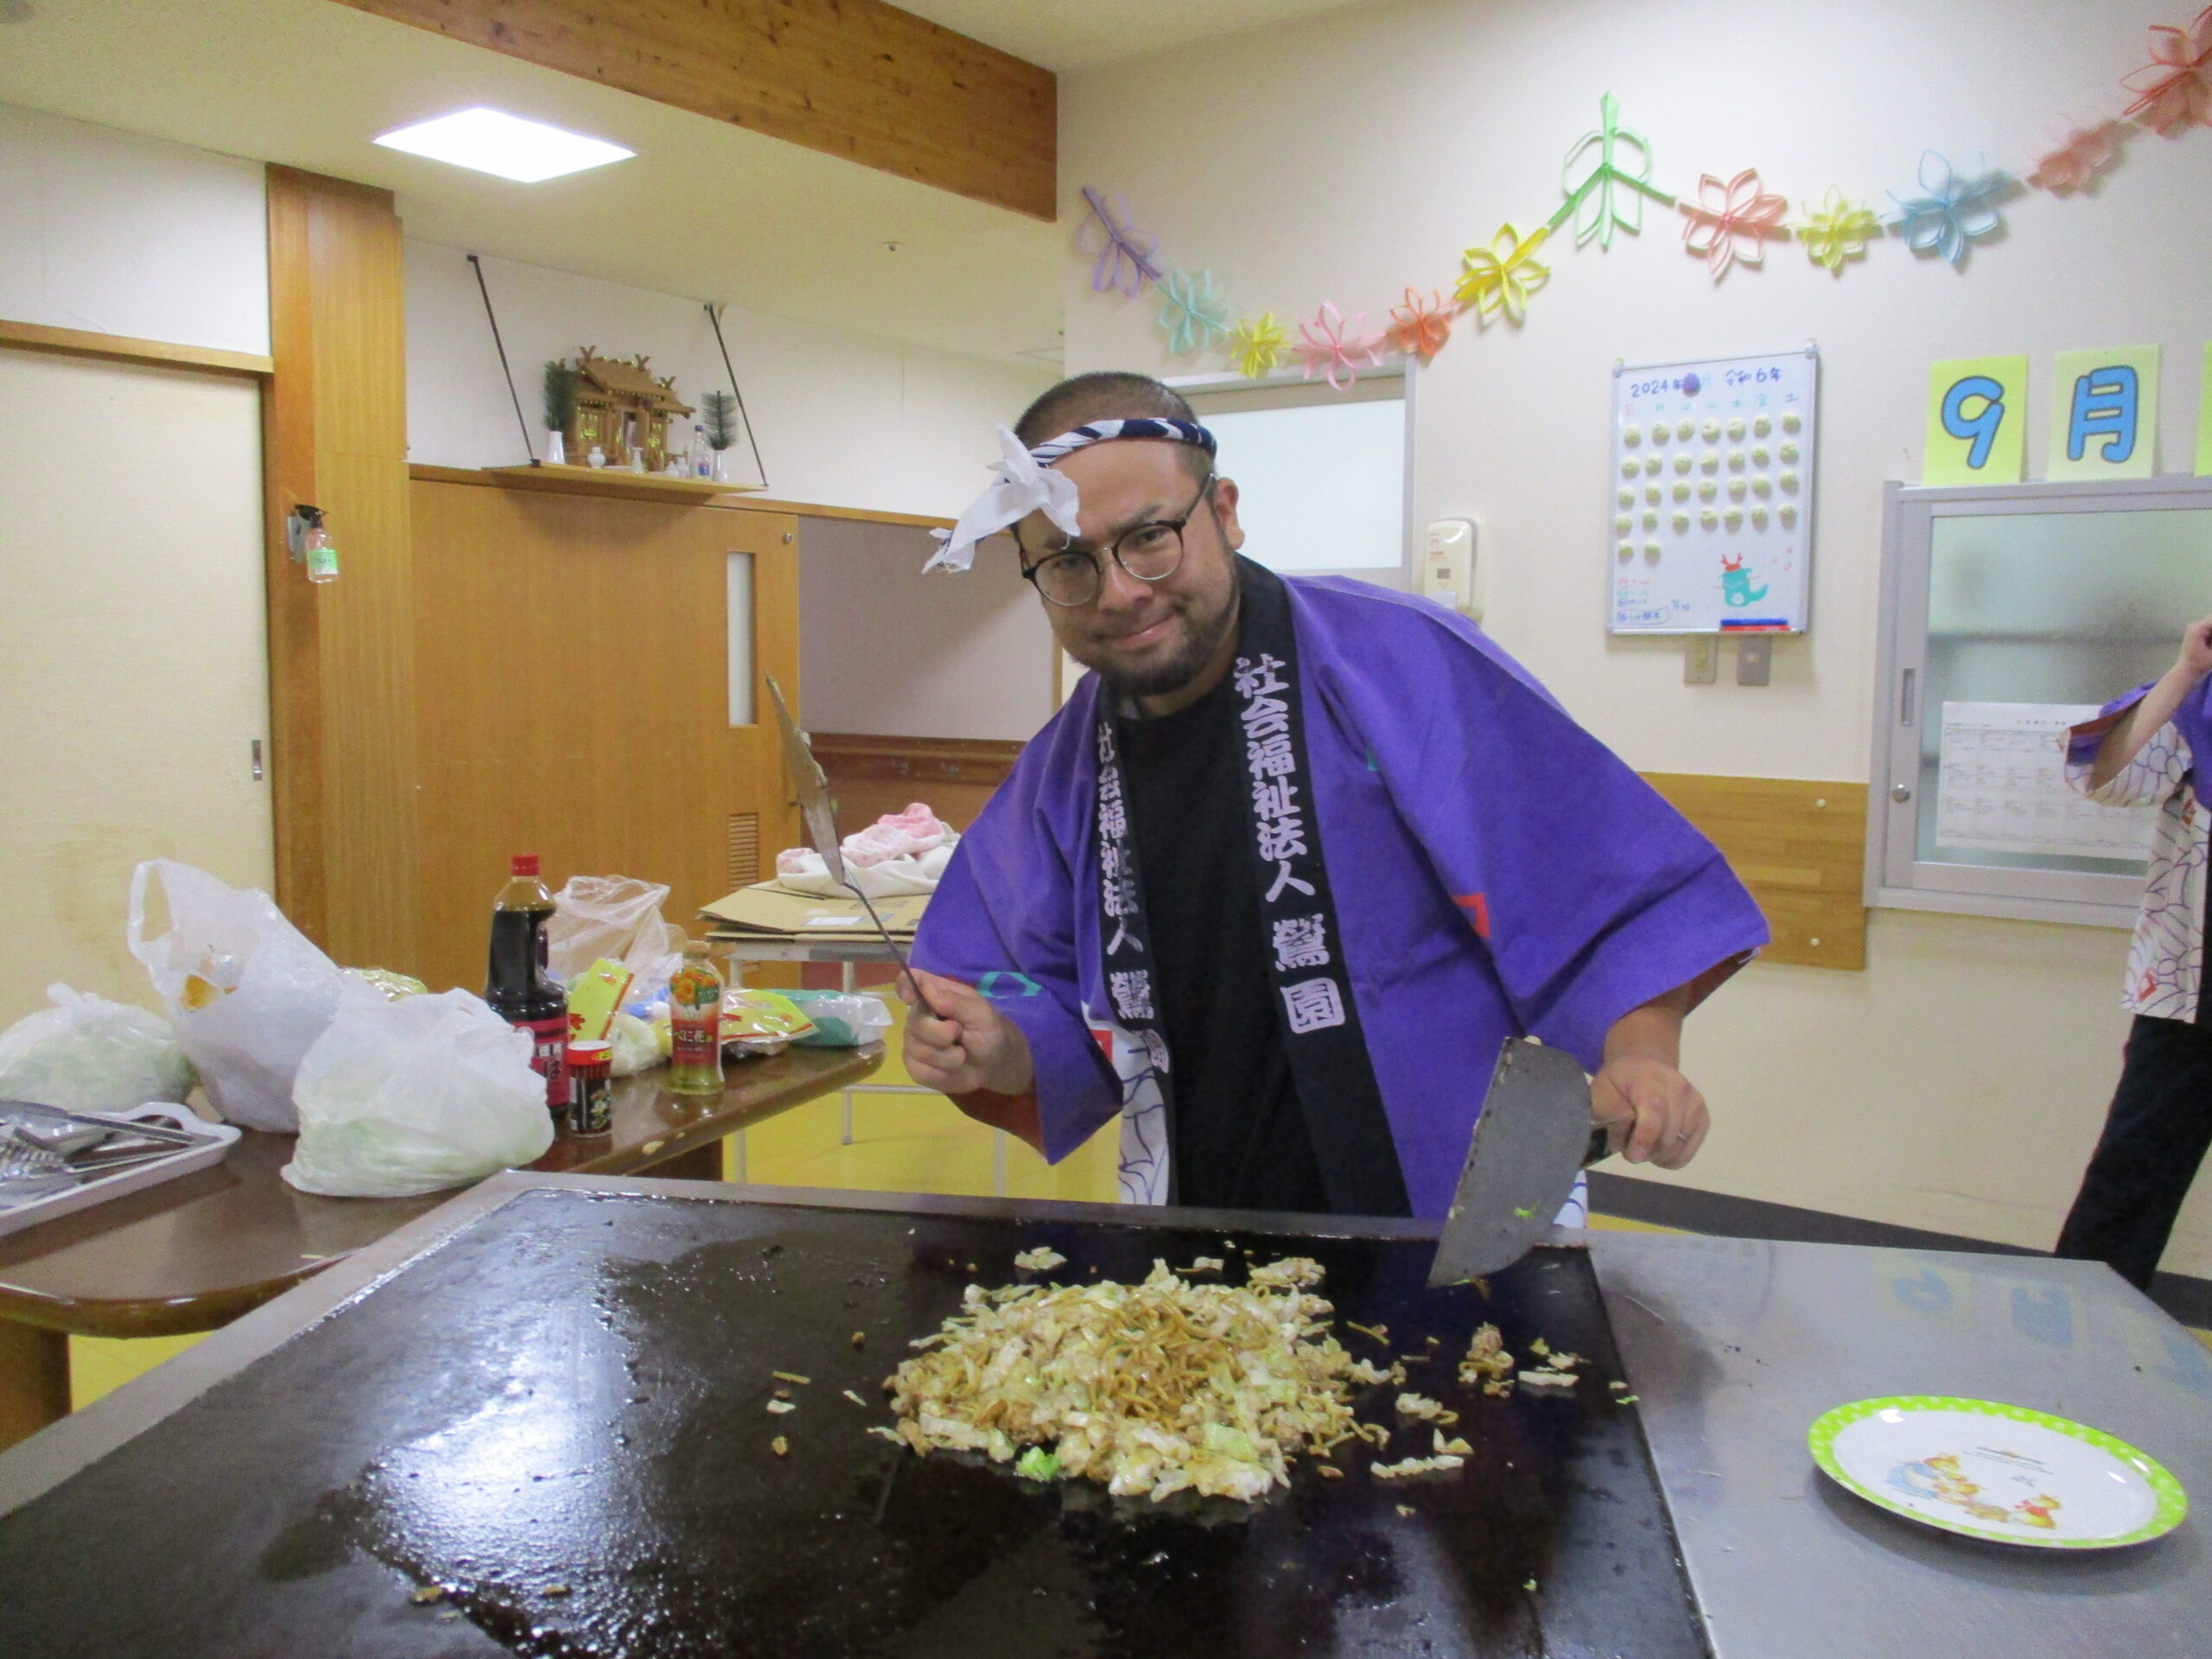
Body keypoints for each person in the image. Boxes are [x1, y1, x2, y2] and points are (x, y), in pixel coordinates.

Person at [898, 372, 1768, 1217]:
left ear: (1224, 511)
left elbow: (1599, 888)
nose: (1121, 590)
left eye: (1150, 537)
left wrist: (1643, 1058)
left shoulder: (1399, 663)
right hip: (1193, 1223)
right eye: (1068, 564)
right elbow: (1028, 1007)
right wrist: (994, 1050)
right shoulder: (1061, 775)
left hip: (1457, 1210)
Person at [2053, 616, 2212, 1290]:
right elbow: (2105, 776)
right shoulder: (2198, 700)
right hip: (2191, 995)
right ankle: (2074, 1348)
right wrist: (2186, 672)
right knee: (2130, 1178)